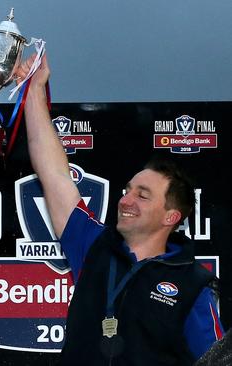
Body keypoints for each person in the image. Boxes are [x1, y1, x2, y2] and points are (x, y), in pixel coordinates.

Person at [19, 54, 224, 365]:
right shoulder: (93, 244)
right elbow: (54, 174)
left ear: (171, 217)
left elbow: (216, 360)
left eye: (143, 196)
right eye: (127, 190)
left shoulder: (192, 285)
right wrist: (34, 91)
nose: (125, 200)